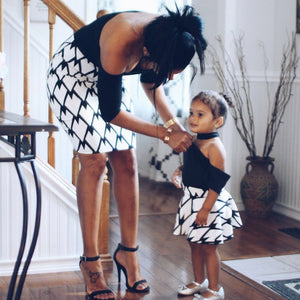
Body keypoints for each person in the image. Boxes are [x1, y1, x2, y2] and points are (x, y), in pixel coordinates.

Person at [46, 5, 207, 300]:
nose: (170, 77)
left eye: (175, 72)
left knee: (128, 161)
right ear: (147, 50)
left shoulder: (166, 35)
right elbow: (111, 112)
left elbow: (152, 84)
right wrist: (164, 134)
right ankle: (90, 263)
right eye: (169, 70)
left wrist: (173, 125)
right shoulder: (122, 37)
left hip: (109, 79)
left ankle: (128, 254)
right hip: (72, 79)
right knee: (95, 160)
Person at [172, 91, 243, 300]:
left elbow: (217, 180)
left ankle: (214, 288)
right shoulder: (194, 141)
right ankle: (198, 280)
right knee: (194, 242)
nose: (193, 118)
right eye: (191, 112)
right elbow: (195, 165)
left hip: (208, 202)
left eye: (200, 114)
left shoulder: (215, 147)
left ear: (217, 121)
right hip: (191, 199)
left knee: (209, 247)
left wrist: (205, 209)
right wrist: (179, 172)